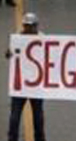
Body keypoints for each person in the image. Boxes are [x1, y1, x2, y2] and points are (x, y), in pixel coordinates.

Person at [7, 13, 46, 141]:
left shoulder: (43, 39)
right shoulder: (18, 38)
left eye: (31, 26)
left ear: (36, 26)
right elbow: (9, 54)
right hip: (20, 85)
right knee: (14, 118)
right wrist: (9, 52)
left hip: (36, 84)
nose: (28, 29)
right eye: (26, 26)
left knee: (38, 118)